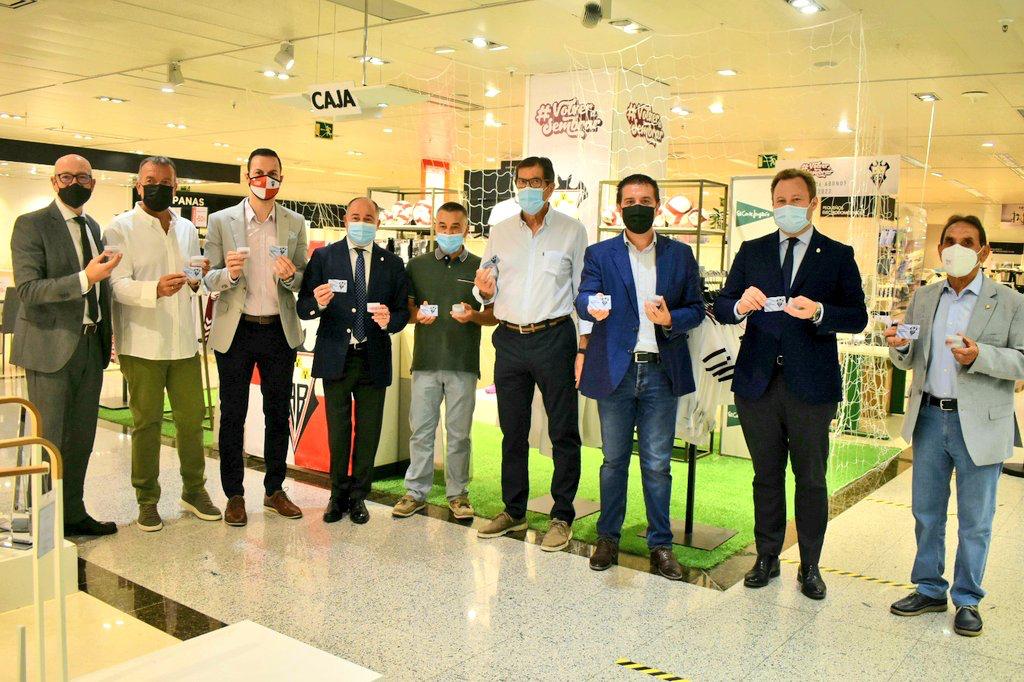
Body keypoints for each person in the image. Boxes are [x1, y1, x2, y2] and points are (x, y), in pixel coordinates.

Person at [713, 167, 867, 600]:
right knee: (766, 475)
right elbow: (723, 305)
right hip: (758, 383)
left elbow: (857, 316)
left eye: (796, 199)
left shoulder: (836, 255)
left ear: (813, 203)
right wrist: (739, 306)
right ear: (772, 204)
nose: (787, 207)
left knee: (811, 478)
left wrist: (820, 312)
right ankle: (767, 556)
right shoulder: (753, 250)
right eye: (780, 200)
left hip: (811, 387)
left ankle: (811, 564)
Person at [886, 215, 1024, 637]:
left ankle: (967, 598)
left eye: (967, 241)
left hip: (980, 422)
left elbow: (1021, 360)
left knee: (975, 519)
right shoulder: (925, 297)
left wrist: (980, 355)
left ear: (984, 251)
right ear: (940, 248)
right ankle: (929, 588)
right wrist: (901, 347)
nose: (957, 248)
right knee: (926, 512)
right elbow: (910, 358)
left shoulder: (1009, 301)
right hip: (929, 417)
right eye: (949, 240)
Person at [576, 174, 704, 579]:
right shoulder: (600, 253)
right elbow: (584, 295)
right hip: (616, 370)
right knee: (613, 461)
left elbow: (697, 308)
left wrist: (670, 319)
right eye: (630, 201)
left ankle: (661, 545)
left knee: (657, 464)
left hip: (661, 372)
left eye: (645, 200)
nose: (637, 207)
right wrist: (592, 306)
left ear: (657, 206)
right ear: (619, 208)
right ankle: (608, 538)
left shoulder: (680, 255)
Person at [473, 156, 590, 552]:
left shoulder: (572, 231)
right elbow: (485, 285)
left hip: (554, 337)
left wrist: (584, 346)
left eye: (535, 182)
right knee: (512, 431)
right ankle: (514, 510)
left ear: (550, 187)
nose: (527, 188)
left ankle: (562, 515)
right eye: (521, 182)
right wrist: (482, 292)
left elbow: (582, 293)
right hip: (509, 339)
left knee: (563, 431)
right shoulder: (501, 231)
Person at [105, 156, 222, 532]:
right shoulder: (120, 228)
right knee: (147, 423)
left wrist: (197, 277)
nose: (158, 187)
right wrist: (153, 289)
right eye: (150, 181)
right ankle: (147, 499)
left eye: (166, 182)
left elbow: (194, 282)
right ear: (138, 185)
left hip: (184, 342)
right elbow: (116, 285)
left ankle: (194, 490)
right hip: (142, 343)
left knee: (191, 420)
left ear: (176, 186)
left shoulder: (185, 227)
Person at [10, 154, 122, 536]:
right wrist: (84, 279)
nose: (75, 183)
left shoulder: (93, 226)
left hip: (91, 346)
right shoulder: (31, 225)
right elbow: (28, 290)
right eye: (66, 177)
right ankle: (44, 524)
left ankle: (72, 511)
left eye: (83, 177)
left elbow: (102, 286)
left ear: (92, 183)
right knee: (50, 439)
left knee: (81, 438)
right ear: (54, 182)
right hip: (49, 349)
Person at [204, 148, 307, 527]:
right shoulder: (221, 221)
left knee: (277, 413)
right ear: (247, 177)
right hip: (237, 330)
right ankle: (234, 494)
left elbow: (303, 277)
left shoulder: (295, 222)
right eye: (259, 172)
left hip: (278, 329)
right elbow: (207, 277)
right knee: (233, 414)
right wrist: (228, 274)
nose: (267, 179)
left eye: (273, 173)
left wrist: (291, 276)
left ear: (282, 176)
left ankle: (274, 489)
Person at [297, 198, 409, 525]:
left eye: (368, 218)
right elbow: (303, 306)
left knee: (369, 431)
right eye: (356, 217)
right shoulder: (324, 257)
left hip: (373, 357)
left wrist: (391, 320)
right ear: (345, 220)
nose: (362, 223)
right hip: (336, 356)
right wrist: (317, 304)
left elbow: (402, 313)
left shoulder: (392, 263)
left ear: (378, 223)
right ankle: (337, 495)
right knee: (339, 430)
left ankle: (360, 496)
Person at [392, 202, 496, 520]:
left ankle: (458, 494)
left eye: (455, 227)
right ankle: (415, 492)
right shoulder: (416, 266)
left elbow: (493, 316)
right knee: (421, 431)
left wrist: (473, 315)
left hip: (463, 363)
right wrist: (417, 316)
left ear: (466, 229)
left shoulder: (480, 268)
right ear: (434, 227)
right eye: (442, 226)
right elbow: (407, 311)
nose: (448, 232)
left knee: (459, 434)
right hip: (425, 362)